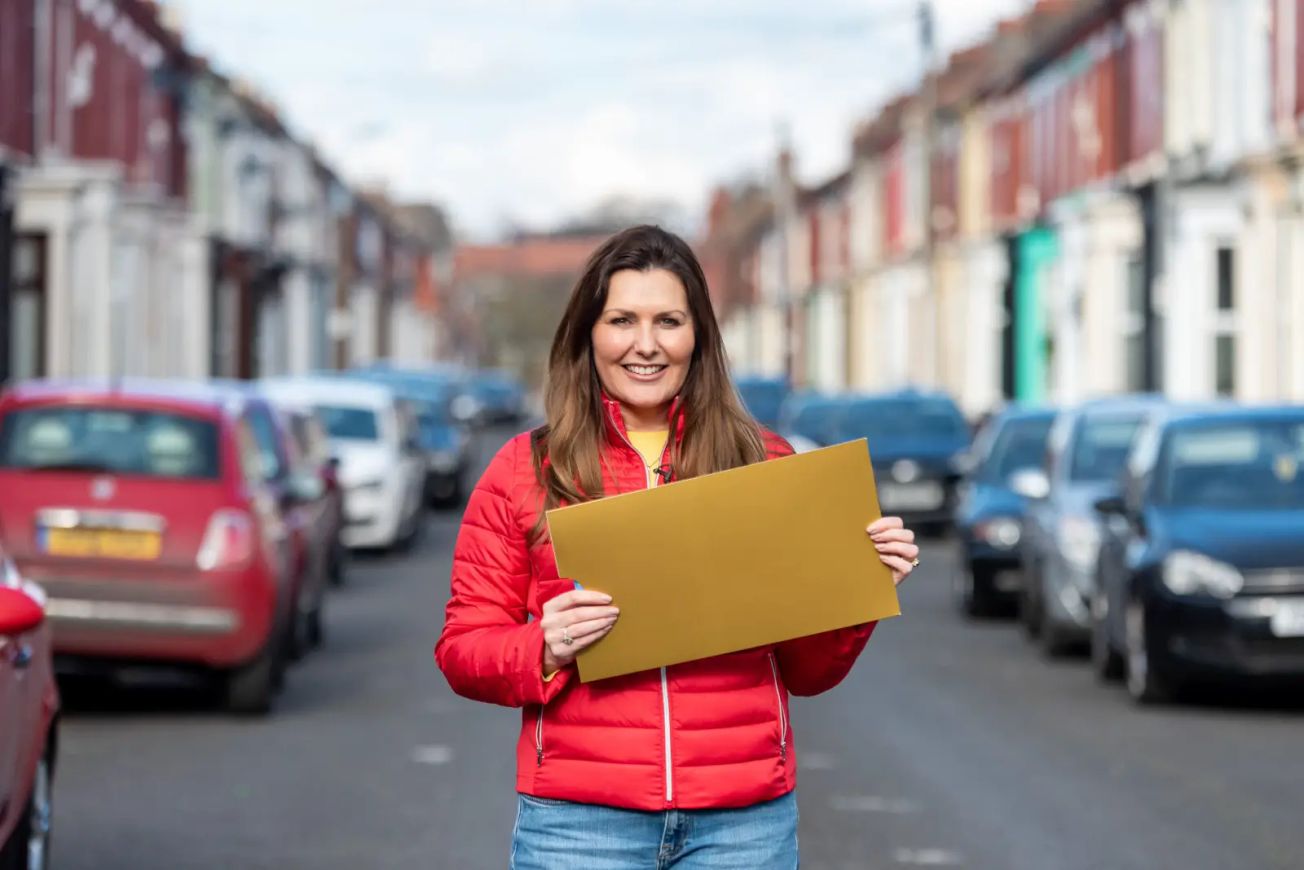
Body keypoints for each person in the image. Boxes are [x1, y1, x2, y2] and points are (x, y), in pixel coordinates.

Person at [435, 225, 920, 869]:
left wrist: (858, 584)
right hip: (581, 826)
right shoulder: (525, 469)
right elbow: (462, 648)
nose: (646, 344)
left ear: (699, 336)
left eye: (668, 320)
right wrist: (542, 648)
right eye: (622, 320)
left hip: (742, 824)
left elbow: (807, 673)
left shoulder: (763, 461)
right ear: (589, 332)